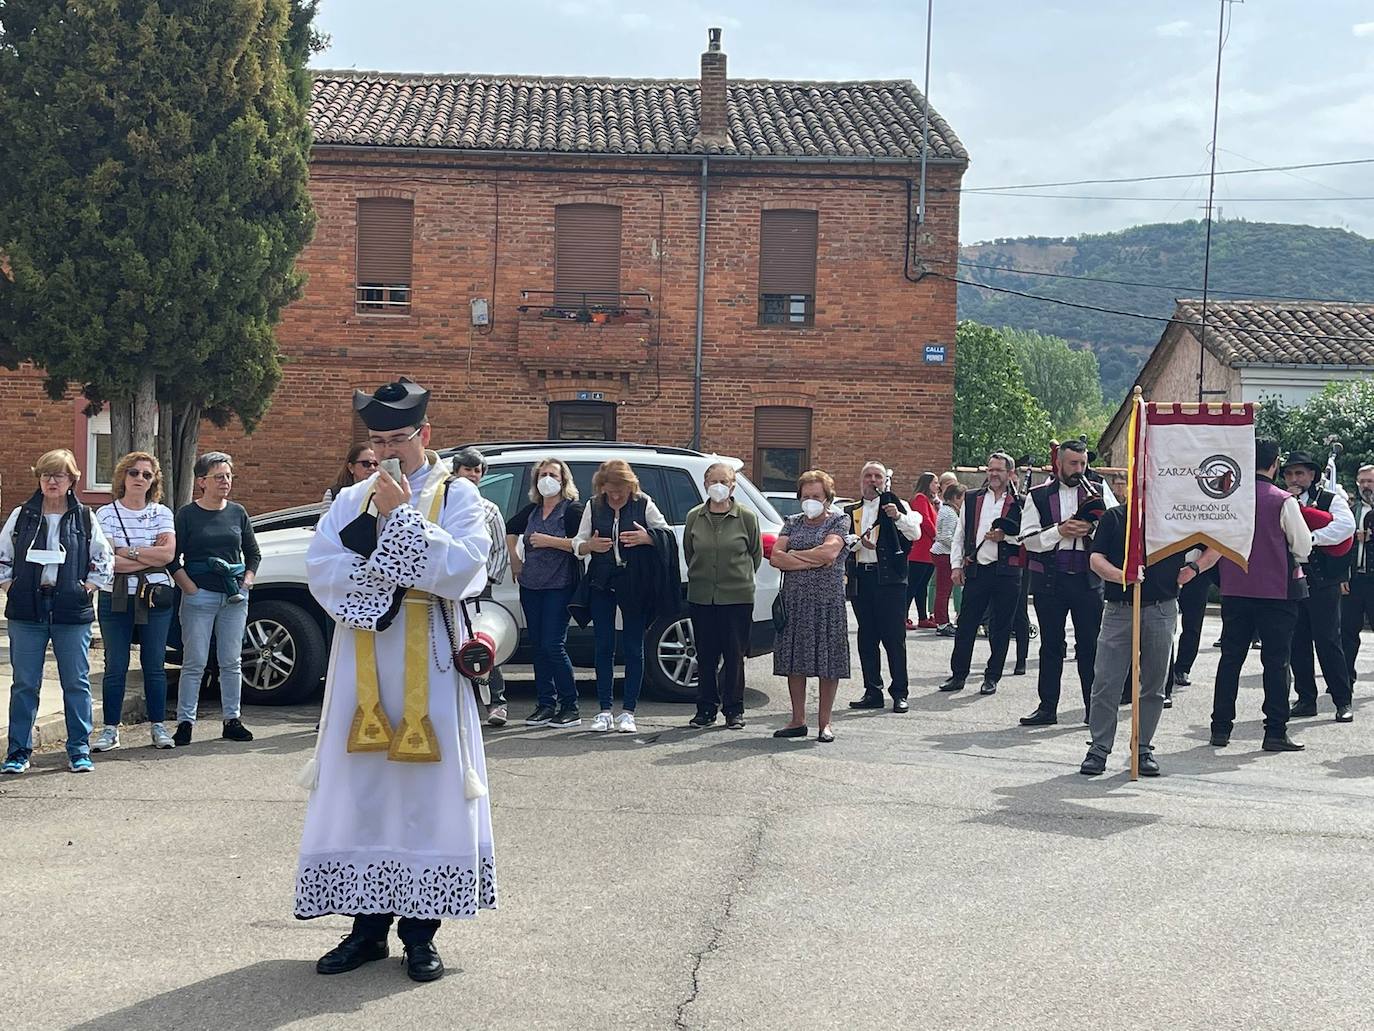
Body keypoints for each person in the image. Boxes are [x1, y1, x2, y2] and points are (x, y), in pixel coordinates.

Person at [297, 377, 495, 984]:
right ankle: (365, 930)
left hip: (429, 668)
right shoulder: (349, 498)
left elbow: (465, 570)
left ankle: (420, 935)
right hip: (361, 668)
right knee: (364, 790)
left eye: (396, 440)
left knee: (423, 793)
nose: (384, 453)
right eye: (375, 441)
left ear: (425, 436)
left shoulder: (456, 495)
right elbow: (320, 569)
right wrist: (384, 572)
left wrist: (399, 520)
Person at [0, 450, 114, 775]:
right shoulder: (22, 515)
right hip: (26, 612)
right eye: (46, 474)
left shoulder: (84, 517)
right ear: (39, 478)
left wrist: (86, 589)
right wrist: (13, 587)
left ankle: (79, 750)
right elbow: (2, 556)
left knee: (76, 682)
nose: (52, 481)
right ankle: (18, 752)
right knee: (24, 683)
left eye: (59, 475)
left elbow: (104, 560)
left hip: (70, 611)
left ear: (71, 480)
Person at [1079, 503, 1214, 777]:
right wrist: (1121, 576)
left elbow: (1218, 543)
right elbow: (1096, 558)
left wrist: (1194, 568)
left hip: (1162, 607)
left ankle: (1142, 748)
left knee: (1154, 683)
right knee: (1106, 681)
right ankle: (1099, 747)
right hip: (1119, 608)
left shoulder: (1176, 516)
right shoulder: (1115, 517)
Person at [1207, 439, 1311, 752]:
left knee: (1230, 659)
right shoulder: (1283, 500)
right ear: (1275, 463)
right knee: (1276, 662)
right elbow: (1303, 546)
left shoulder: (1228, 498)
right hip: (1275, 592)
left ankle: (1220, 728)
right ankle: (1275, 731)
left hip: (1236, 589)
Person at [571, 459, 674, 734]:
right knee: (603, 644)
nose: (616, 496)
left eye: (621, 490)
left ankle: (629, 711)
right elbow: (577, 544)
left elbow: (665, 533)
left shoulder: (643, 503)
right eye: (610, 490)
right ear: (601, 487)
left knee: (633, 645)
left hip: (635, 581)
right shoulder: (594, 505)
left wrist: (648, 539)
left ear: (631, 486)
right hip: (602, 580)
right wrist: (589, 545)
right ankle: (604, 710)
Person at [167, 452, 261, 746]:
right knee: (194, 661)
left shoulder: (238, 513)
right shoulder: (187, 515)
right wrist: (189, 588)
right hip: (200, 596)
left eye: (229, 476)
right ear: (202, 482)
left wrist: (246, 583)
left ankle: (232, 719)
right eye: (219, 476)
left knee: (231, 661)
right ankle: (185, 722)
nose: (225, 482)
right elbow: (173, 558)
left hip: (233, 597)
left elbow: (253, 554)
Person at [91, 452, 178, 752]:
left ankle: (158, 726)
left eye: (146, 474)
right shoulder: (106, 514)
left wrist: (129, 551)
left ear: (154, 481)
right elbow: (107, 562)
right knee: (115, 665)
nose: (140, 478)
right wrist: (147, 554)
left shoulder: (162, 513)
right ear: (122, 476)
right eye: (134, 473)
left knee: (154, 664)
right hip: (115, 598)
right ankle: (110, 730)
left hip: (155, 599)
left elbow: (167, 556)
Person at [1018, 439, 1104, 727]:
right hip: (1050, 582)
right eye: (1073, 464)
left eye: (1083, 464)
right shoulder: (1037, 496)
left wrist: (1092, 529)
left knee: (1090, 646)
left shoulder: (1100, 491)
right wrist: (1060, 531)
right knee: (1051, 645)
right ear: (1059, 463)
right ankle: (1047, 708)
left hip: (1087, 581)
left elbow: (1116, 532)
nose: (1079, 469)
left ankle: (1094, 709)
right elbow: (1029, 540)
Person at [770, 471, 849, 742]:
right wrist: (812, 560)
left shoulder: (839, 520)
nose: (810, 501)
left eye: (816, 496)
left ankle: (824, 724)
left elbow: (830, 552)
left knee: (829, 664)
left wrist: (794, 556)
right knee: (796, 663)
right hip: (795, 602)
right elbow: (775, 558)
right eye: (805, 496)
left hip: (827, 603)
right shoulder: (791, 522)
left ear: (827, 497)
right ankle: (797, 719)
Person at [507, 458, 584, 729]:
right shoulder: (532, 510)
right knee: (538, 647)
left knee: (553, 645)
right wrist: (516, 561)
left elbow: (582, 545)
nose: (547, 479)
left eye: (552, 474)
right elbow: (510, 529)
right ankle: (545, 704)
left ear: (563, 481)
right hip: (531, 586)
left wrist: (550, 541)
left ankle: (570, 705)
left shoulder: (572, 510)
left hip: (559, 586)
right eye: (542, 475)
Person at [684, 462, 762, 729]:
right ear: (705, 484)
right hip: (702, 596)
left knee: (734, 655)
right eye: (713, 481)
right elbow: (689, 552)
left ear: (733, 486)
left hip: (737, 597)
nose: (718, 486)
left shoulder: (747, 517)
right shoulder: (695, 516)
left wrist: (736, 578)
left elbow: (755, 554)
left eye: (724, 481)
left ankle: (733, 709)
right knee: (705, 655)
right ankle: (705, 708)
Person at [940, 453, 1023, 696]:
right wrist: (956, 566)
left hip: (1007, 571)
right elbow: (960, 533)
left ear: (1010, 474)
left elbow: (1029, 536)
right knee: (966, 623)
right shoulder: (973, 498)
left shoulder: (1021, 502)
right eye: (990, 469)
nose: (994, 474)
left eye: (999, 470)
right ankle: (958, 674)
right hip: (978, 569)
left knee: (1001, 626)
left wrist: (1004, 537)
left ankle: (992, 676)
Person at [1281, 451, 1355, 722]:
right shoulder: (1283, 500)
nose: (1294, 478)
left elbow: (1346, 527)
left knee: (1328, 640)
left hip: (1324, 581)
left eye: (1299, 473)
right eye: (1289, 473)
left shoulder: (1330, 499)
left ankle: (1342, 699)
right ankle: (1305, 698)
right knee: (1297, 641)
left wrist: (1309, 538)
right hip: (1294, 579)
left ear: (1312, 475)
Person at [844, 462, 922, 713]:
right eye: (868, 476)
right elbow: (843, 541)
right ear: (861, 480)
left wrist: (897, 516)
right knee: (867, 637)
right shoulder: (850, 510)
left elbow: (915, 534)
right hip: (862, 579)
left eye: (877, 476)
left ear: (885, 481)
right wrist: (858, 544)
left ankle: (900, 692)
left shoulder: (898, 506)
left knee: (893, 637)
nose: (873, 480)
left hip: (890, 581)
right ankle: (872, 690)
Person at [452, 447, 513, 727]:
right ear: (456, 471)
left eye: (477, 470)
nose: (473, 475)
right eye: (468, 469)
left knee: (482, 645)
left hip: (479, 591)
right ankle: (454, 706)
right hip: (449, 588)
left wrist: (487, 581)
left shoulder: (490, 510)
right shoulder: (445, 505)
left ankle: (495, 703)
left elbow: (500, 550)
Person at [1342, 465, 1374, 690]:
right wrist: (1342, 576)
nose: (1365, 486)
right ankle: (1345, 678)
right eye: (1362, 481)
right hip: (1354, 580)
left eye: (1370, 481)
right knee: (1347, 632)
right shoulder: (1350, 510)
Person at [1168, 548, 1213, 688]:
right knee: (1163, 624)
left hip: (1198, 569)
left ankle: (1183, 668)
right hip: (1168, 566)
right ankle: (1163, 672)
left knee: (1193, 624)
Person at [905, 471, 939, 630]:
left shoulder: (931, 502)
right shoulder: (920, 498)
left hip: (928, 551)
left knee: (921, 586)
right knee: (912, 585)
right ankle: (902, 616)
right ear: (927, 484)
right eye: (935, 482)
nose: (937, 486)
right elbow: (924, 520)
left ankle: (923, 616)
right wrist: (936, 536)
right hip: (919, 550)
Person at [930, 482, 963, 637]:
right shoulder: (949, 513)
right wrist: (958, 548)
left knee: (943, 590)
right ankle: (942, 623)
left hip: (942, 553)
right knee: (943, 591)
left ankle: (943, 621)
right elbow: (945, 536)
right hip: (945, 554)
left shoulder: (946, 510)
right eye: (962, 498)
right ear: (956, 498)